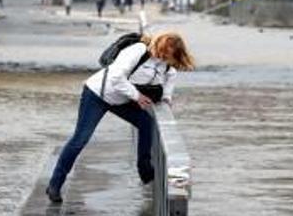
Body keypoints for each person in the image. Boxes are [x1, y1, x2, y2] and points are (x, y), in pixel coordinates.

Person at [45, 32, 195, 204]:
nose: (161, 57)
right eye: (161, 51)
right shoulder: (138, 50)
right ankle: (55, 185)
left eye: (167, 55)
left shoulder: (167, 64)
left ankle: (146, 172)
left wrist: (167, 98)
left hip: (122, 99)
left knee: (147, 123)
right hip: (98, 95)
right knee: (80, 139)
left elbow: (170, 76)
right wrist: (137, 96)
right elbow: (115, 77)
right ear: (157, 44)